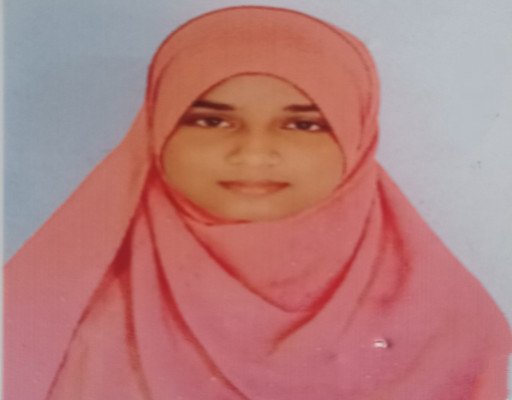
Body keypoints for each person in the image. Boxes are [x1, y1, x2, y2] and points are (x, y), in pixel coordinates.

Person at [4, 5, 511, 400]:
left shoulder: (451, 327)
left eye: (303, 124)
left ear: (357, 139)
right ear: (157, 128)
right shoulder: (56, 311)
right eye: (211, 120)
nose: (252, 153)